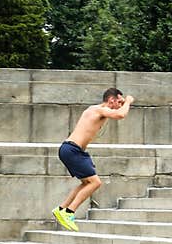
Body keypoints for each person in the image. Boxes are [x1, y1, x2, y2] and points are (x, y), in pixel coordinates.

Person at [52, 88, 134, 232]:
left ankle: (61, 209)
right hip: (72, 150)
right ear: (111, 100)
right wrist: (128, 101)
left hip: (71, 150)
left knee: (86, 183)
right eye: (119, 102)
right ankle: (69, 213)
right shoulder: (99, 110)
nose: (120, 105)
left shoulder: (95, 111)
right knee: (95, 182)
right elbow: (120, 115)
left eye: (122, 103)